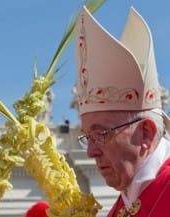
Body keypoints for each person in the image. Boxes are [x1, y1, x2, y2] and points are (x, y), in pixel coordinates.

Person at [75, 6, 170, 217]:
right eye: (87, 137)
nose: (90, 152)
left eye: (100, 134)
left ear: (146, 133)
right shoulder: (121, 208)